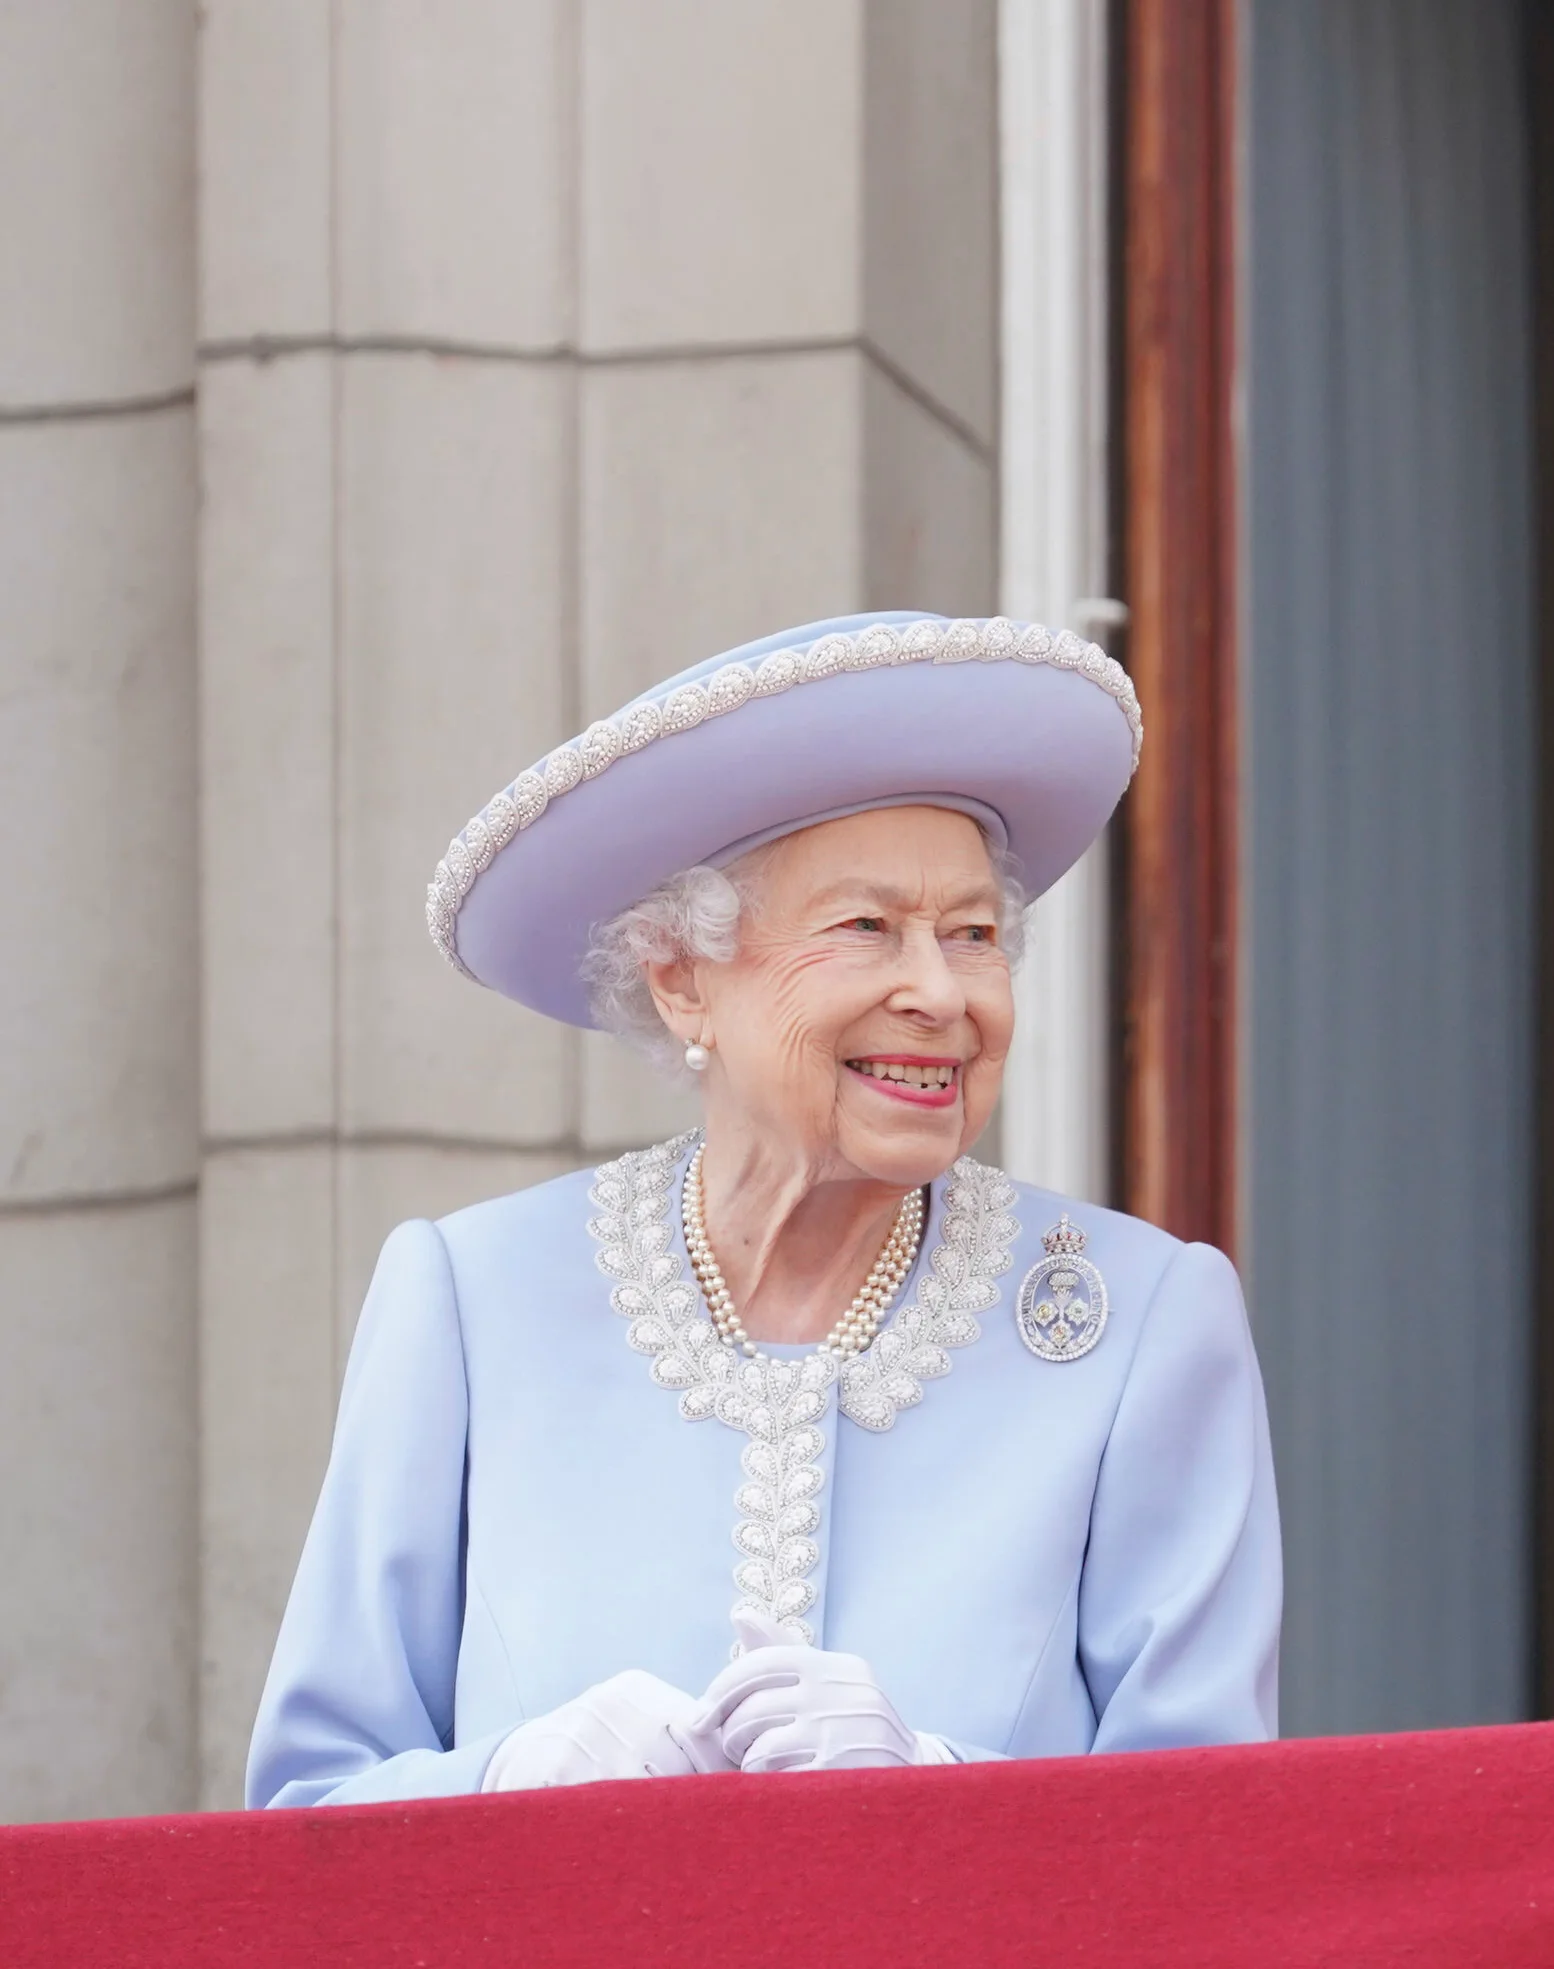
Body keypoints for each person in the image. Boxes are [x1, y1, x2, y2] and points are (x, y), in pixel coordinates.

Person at [248, 612, 1281, 1803]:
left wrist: (938, 1792)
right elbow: (302, 1816)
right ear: (682, 979)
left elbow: (1215, 1845)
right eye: (867, 929)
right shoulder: (472, 1300)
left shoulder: (1143, 1322)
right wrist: (504, 1783)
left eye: (974, 935)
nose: (941, 992)